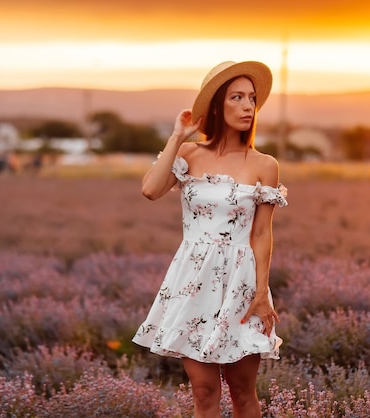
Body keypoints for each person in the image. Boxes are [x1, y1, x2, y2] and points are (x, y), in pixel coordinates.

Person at [132, 61, 287, 418]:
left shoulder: (264, 164)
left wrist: (261, 293)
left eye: (252, 98)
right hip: (193, 283)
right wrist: (177, 137)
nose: (249, 106)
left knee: (242, 391)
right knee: (203, 391)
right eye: (237, 97)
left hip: (242, 284)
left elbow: (262, 233)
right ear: (217, 105)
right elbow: (150, 190)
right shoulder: (189, 155)